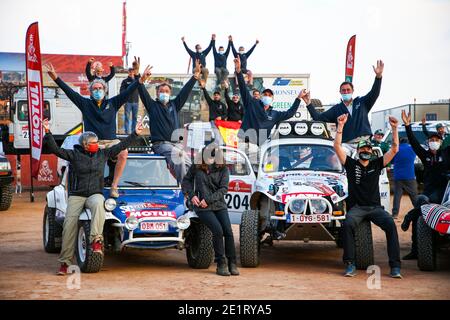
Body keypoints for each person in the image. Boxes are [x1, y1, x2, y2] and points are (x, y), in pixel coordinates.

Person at [42, 119, 144, 275]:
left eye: (97, 142)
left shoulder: (102, 154)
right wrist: (47, 132)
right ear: (84, 144)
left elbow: (121, 146)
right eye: (93, 142)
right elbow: (55, 149)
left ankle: (95, 241)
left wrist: (135, 133)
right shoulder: (74, 154)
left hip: (94, 194)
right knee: (69, 225)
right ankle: (65, 263)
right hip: (77, 195)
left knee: (99, 204)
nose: (97, 144)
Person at [44, 61, 144, 198]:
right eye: (95, 89)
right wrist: (56, 77)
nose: (98, 91)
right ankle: (81, 187)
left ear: (105, 90)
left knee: (124, 152)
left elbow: (128, 91)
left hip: (110, 142)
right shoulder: (85, 104)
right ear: (90, 92)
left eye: (100, 89)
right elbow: (69, 92)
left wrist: (141, 79)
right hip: (92, 143)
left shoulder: (113, 103)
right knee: (82, 159)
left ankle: (114, 186)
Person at [334, 113, 402, 278]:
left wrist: (394, 129)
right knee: (347, 224)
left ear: (371, 152)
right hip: (357, 209)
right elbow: (336, 147)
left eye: (368, 148)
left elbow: (394, 149)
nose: (365, 150)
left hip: (375, 208)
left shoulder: (376, 163)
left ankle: (395, 267)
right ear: (358, 151)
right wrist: (340, 127)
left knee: (391, 225)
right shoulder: (351, 164)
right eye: (362, 148)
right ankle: (350, 264)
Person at [137, 60, 202, 183]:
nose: (164, 93)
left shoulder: (174, 105)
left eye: (166, 91)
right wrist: (140, 79)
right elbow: (142, 92)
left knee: (193, 166)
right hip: (161, 145)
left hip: (176, 145)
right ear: (157, 93)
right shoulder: (152, 106)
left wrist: (195, 77)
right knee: (179, 157)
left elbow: (185, 92)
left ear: (170, 93)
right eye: (161, 91)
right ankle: (185, 191)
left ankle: (194, 192)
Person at [181, 143, 239, 276]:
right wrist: (192, 195)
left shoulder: (224, 169)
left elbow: (223, 189)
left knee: (228, 231)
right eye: (207, 158)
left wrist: (208, 200)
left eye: (212, 159)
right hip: (201, 207)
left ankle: (232, 262)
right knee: (217, 231)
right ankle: (221, 263)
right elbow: (186, 181)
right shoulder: (196, 166)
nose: (209, 161)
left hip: (218, 204)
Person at [400, 110, 450, 260]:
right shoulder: (425, 155)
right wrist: (408, 126)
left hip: (443, 192)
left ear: (441, 142)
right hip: (429, 190)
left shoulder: (447, 153)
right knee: (421, 209)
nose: (434, 141)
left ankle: (409, 216)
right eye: (431, 140)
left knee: (421, 204)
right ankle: (416, 250)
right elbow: (414, 144)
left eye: (437, 139)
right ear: (428, 143)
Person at [304, 60, 384, 150]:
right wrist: (308, 103)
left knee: (367, 161)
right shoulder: (336, 109)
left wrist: (378, 77)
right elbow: (318, 118)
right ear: (340, 92)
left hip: (364, 143)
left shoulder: (362, 102)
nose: (346, 92)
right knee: (334, 159)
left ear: (353, 91)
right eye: (343, 90)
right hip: (346, 145)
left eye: (348, 90)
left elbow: (375, 93)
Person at [234, 56, 303, 146]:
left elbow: (290, 113)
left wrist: (298, 98)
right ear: (261, 96)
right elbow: (243, 88)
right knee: (242, 160)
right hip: (245, 142)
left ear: (272, 99)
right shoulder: (252, 103)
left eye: (270, 95)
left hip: (261, 146)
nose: (267, 96)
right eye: (265, 95)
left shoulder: (275, 114)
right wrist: (239, 71)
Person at [391, 137, 417, 219]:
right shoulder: (412, 149)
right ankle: (419, 211)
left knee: (397, 196)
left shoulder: (396, 149)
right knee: (414, 196)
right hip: (409, 176)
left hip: (398, 176)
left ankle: (395, 214)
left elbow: (391, 161)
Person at [120, 61, 140, 134]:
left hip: (136, 102)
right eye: (130, 72)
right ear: (128, 72)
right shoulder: (125, 81)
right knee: (127, 118)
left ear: (134, 72)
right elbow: (121, 91)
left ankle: (133, 132)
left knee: (135, 118)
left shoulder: (137, 80)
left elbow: (141, 89)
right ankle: (127, 132)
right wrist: (123, 101)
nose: (131, 73)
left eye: (133, 71)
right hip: (127, 102)